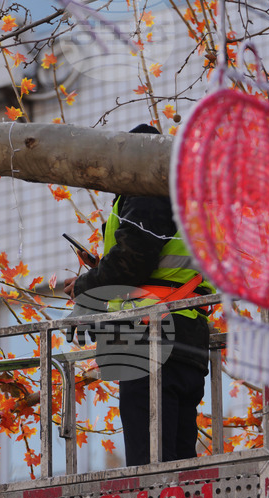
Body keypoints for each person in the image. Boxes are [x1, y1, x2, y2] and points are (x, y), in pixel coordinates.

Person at [63, 124, 215, 467]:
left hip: (153, 335)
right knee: (178, 462)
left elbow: (133, 261)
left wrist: (88, 286)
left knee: (150, 468)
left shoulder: (148, 191)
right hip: (182, 333)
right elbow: (153, 261)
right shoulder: (182, 195)